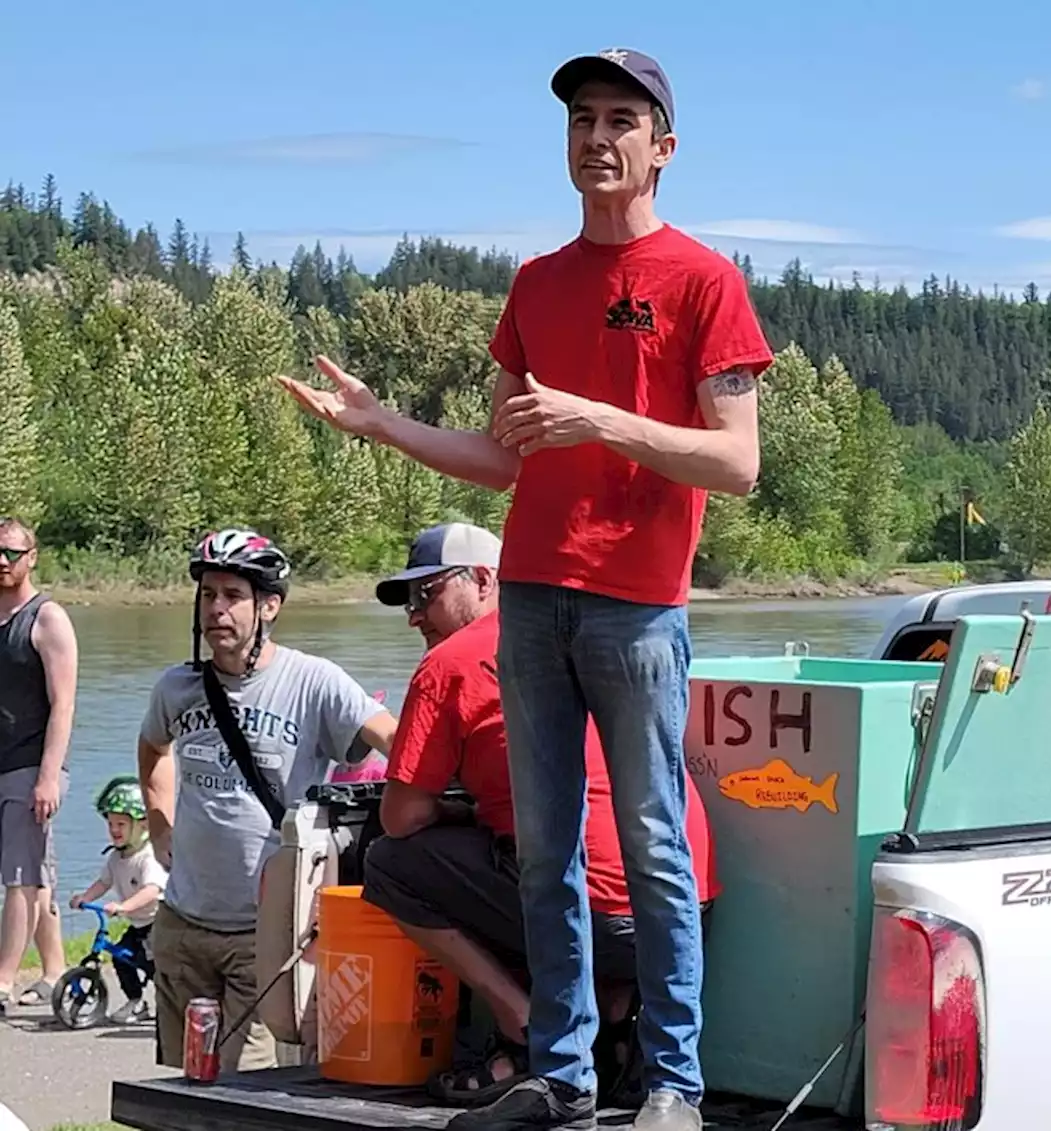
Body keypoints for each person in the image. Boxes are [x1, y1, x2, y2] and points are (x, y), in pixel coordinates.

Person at [278, 48, 773, 1131]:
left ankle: (675, 1088)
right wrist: (381, 425)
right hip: (533, 597)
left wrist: (597, 420)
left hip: (639, 606)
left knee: (646, 840)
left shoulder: (701, 281)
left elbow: (735, 464)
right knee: (543, 846)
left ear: (662, 148)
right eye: (581, 120)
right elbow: (506, 457)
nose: (596, 138)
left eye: (621, 120)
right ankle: (561, 1073)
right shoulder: (536, 284)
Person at [360, 524, 719, 1107]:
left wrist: (462, 809)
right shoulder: (590, 635)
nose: (413, 615)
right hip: (686, 920)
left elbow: (401, 818)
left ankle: (523, 1025)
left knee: (391, 862)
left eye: (426, 594)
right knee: (535, 851)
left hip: (599, 917)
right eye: (408, 600)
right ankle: (616, 1017)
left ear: (483, 581)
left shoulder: (452, 662)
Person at [137, 527, 398, 1074]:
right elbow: (153, 747)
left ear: (269, 606)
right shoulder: (176, 688)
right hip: (184, 921)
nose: (217, 609)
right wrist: (160, 827)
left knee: (246, 1089)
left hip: (266, 931)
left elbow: (397, 743)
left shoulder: (313, 681)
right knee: (187, 1084)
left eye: (233, 596)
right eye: (208, 595)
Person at [0, 516, 74, 1011]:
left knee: (20, 877)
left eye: (10, 553)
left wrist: (49, 776)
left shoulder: (47, 619)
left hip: (31, 764)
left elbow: (63, 703)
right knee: (36, 871)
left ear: (32, 557)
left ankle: (2, 982)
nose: (1, 562)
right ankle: (54, 971)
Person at [69, 774, 168, 1024]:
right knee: (121, 957)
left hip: (158, 923)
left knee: (157, 967)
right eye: (111, 824)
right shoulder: (116, 857)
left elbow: (152, 890)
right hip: (137, 925)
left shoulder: (148, 857)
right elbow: (104, 882)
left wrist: (124, 906)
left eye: (121, 825)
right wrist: (85, 897)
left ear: (142, 825)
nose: (114, 830)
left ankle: (170, 1004)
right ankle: (136, 1001)